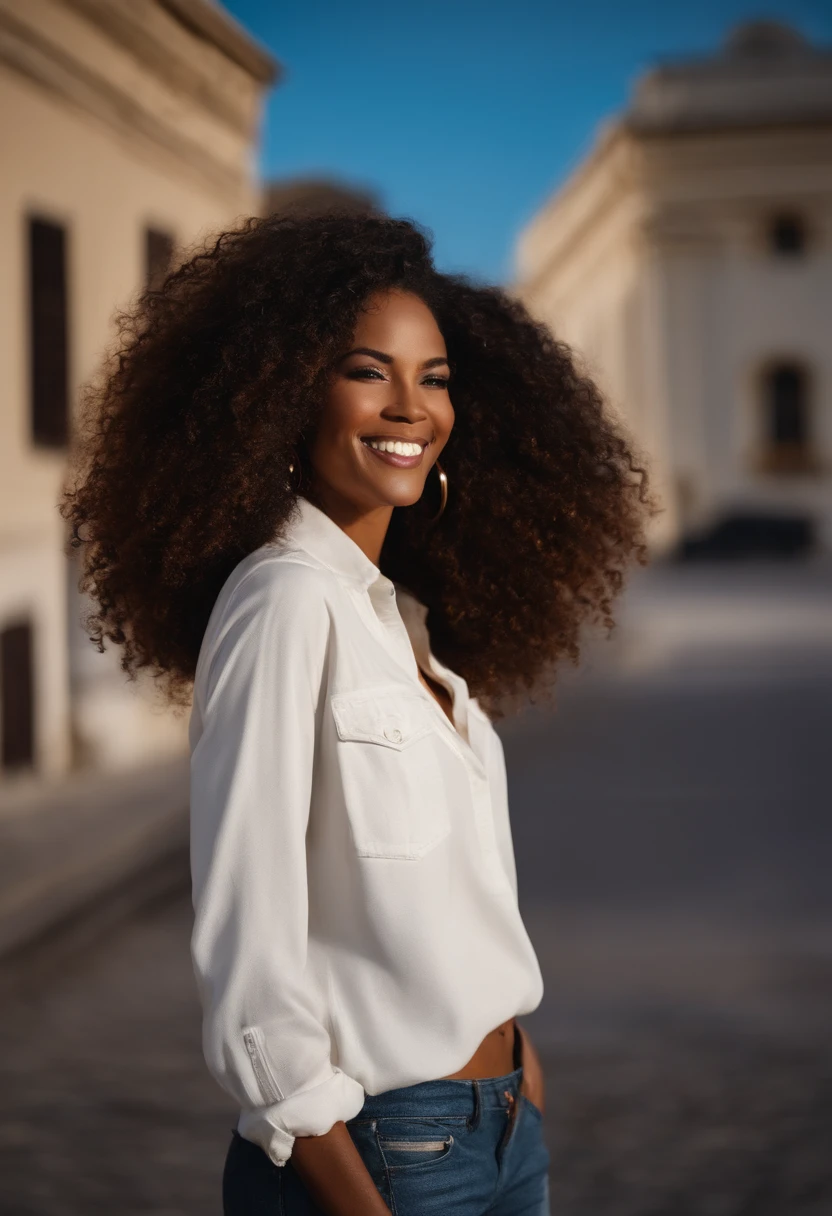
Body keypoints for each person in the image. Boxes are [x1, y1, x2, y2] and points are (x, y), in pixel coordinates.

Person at [61, 210, 652, 1215]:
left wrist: (519, 1066)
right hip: (387, 1155)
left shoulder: (400, 621)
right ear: (285, 393)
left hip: (501, 1131)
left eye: (434, 376)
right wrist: (341, 1169)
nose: (410, 406)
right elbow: (246, 926)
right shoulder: (284, 601)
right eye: (366, 370)